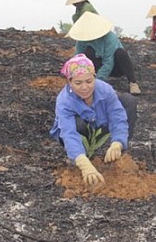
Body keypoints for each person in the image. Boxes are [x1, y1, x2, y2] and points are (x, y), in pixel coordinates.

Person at [49, 54, 138, 187]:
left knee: (128, 101)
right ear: (70, 82)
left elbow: (117, 116)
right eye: (78, 83)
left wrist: (117, 142)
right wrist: (84, 164)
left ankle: (119, 151)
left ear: (94, 78)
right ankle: (83, 155)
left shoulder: (105, 90)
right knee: (77, 124)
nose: (85, 87)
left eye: (89, 81)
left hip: (99, 126)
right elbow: (68, 133)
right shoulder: (64, 101)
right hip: (78, 131)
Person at [67, 11, 141, 95]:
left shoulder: (110, 37)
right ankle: (90, 78)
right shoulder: (82, 40)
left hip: (116, 66)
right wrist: (74, 75)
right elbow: (78, 59)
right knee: (88, 51)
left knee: (121, 53)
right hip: (96, 65)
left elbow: (109, 61)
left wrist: (98, 81)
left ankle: (133, 83)